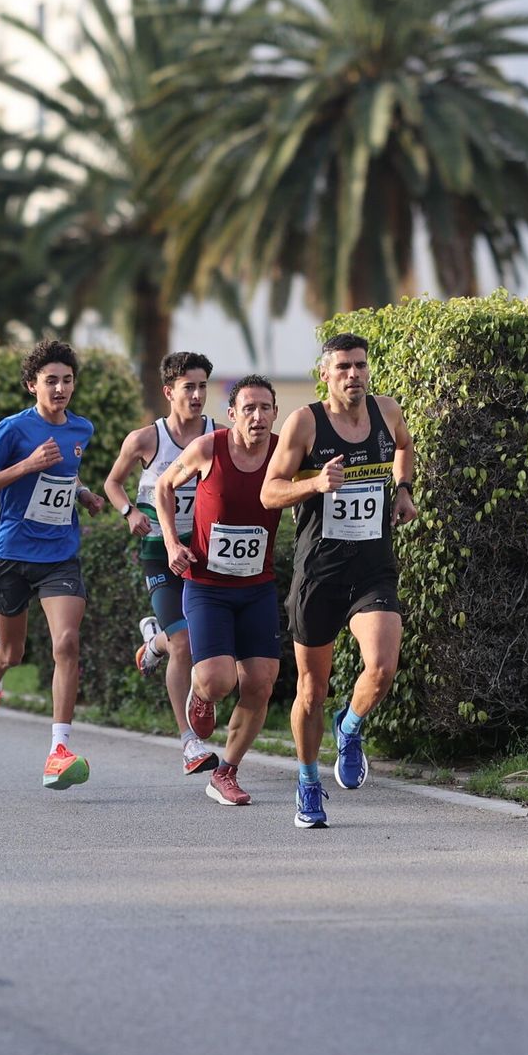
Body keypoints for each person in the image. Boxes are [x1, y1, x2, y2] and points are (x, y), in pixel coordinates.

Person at [261, 333, 416, 828]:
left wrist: (404, 491)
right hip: (320, 571)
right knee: (311, 689)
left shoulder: (386, 411)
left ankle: (349, 728)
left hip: (371, 566)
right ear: (325, 373)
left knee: (384, 666)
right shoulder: (305, 422)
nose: (354, 375)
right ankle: (308, 782)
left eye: (361, 366)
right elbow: (269, 492)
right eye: (344, 367)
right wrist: (315, 483)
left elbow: (405, 446)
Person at [0, 339, 106, 790]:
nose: (60, 387)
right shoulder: (12, 430)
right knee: (12, 652)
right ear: (32, 386)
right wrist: (24, 465)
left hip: (60, 554)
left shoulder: (81, 429)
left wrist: (82, 494)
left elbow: (64, 473)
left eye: (66, 380)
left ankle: (58, 751)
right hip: (11, 555)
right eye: (50, 381)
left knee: (66, 643)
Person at [157, 374, 283, 808]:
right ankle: (200, 692)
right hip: (208, 586)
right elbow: (163, 486)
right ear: (232, 415)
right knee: (218, 681)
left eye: (265, 408)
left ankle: (226, 772)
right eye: (248, 408)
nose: (258, 416)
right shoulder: (209, 448)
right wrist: (174, 542)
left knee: (262, 684)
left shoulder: (284, 452)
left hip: (258, 587)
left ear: (275, 413)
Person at [101, 351, 219, 776]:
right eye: (189, 387)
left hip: (204, 552)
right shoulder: (146, 440)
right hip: (157, 551)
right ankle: (189, 742)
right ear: (169, 392)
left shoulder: (216, 436)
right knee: (185, 644)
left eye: (203, 386)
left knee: (204, 641)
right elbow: (112, 483)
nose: (197, 394)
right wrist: (130, 512)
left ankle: (153, 643)